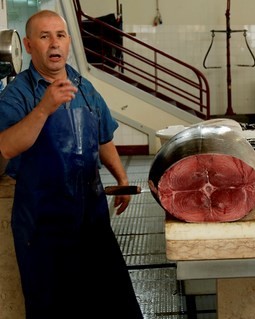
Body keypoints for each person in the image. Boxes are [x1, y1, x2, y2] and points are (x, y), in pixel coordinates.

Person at [0, 10, 143, 319]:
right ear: (27, 45)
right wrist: (44, 108)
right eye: (44, 36)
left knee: (112, 303)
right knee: (56, 308)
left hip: (91, 221)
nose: (55, 43)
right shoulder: (18, 95)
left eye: (61, 35)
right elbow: (6, 146)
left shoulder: (83, 86)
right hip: (43, 230)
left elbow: (104, 136)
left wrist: (120, 178)